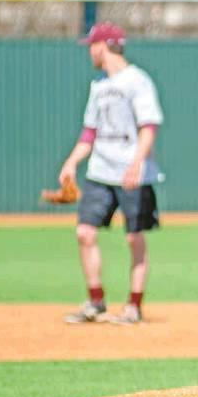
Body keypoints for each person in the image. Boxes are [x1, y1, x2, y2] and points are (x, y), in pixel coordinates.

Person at [59, 22, 164, 325]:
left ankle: (133, 305)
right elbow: (89, 134)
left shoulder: (137, 81)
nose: (89, 51)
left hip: (134, 173)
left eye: (91, 45)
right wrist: (71, 162)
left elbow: (149, 127)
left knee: (134, 238)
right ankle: (95, 302)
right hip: (100, 170)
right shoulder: (99, 86)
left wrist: (137, 163)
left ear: (102, 46)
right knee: (84, 232)